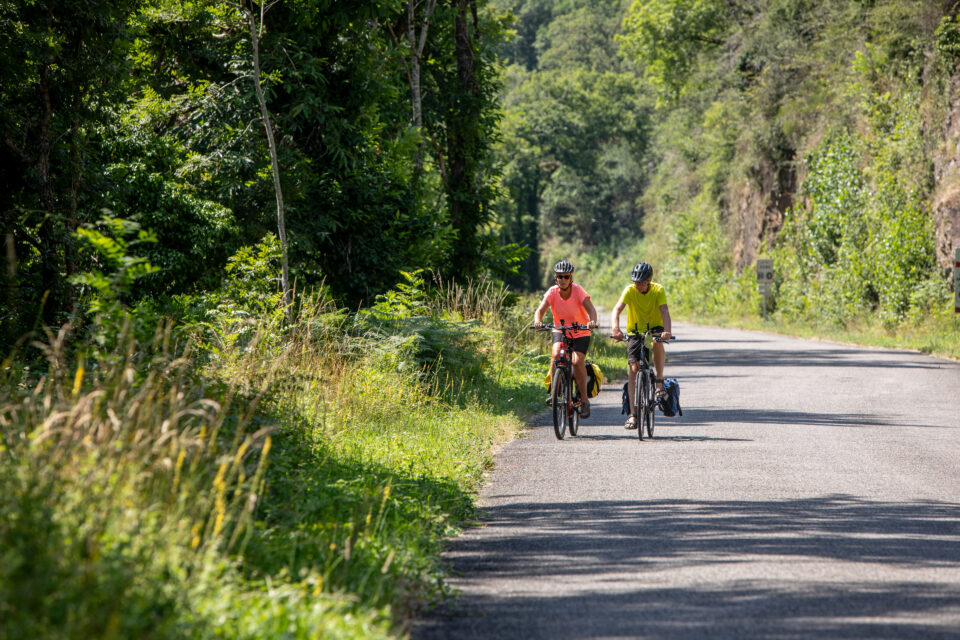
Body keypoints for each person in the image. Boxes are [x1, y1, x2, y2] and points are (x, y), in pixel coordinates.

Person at [610, 262, 673, 430]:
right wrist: (615, 328)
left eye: (641, 282)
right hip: (635, 331)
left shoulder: (658, 290)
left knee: (657, 342)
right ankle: (633, 414)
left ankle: (659, 380)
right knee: (633, 369)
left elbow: (664, 311)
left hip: (655, 328)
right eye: (635, 282)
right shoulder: (629, 291)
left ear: (649, 280)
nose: (638, 285)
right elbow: (617, 309)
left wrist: (667, 331)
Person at [533, 260, 599, 419]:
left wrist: (592, 321)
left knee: (577, 361)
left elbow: (591, 309)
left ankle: (584, 401)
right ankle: (555, 393)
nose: (562, 279)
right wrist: (537, 321)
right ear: (555, 278)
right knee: (556, 354)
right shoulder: (552, 292)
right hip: (560, 329)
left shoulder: (578, 291)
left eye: (566, 276)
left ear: (571, 278)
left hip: (580, 331)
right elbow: (540, 310)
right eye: (559, 276)